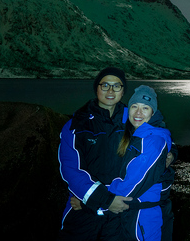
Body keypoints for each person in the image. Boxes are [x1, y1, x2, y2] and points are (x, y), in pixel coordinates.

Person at [57, 67, 133, 240]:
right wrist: (105, 201)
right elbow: (71, 170)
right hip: (83, 215)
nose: (111, 91)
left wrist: (171, 154)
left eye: (117, 86)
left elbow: (159, 139)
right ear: (97, 88)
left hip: (119, 214)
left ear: (123, 91)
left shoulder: (135, 120)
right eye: (105, 85)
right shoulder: (76, 125)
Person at [109, 85, 174, 241]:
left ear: (153, 113)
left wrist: (99, 196)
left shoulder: (153, 141)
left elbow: (132, 185)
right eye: (134, 106)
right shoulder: (135, 134)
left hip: (144, 216)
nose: (138, 112)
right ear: (128, 109)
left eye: (145, 108)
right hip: (132, 213)